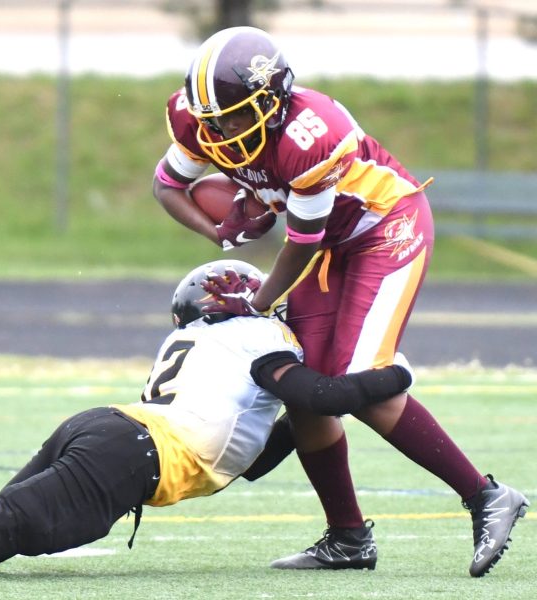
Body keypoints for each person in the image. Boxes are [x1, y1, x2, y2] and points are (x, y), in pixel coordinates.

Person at [153, 25, 529, 577]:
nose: (224, 131)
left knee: (352, 380)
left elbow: (301, 243)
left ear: (273, 100)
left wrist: (258, 303)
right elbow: (166, 187)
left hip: (384, 230)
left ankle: (486, 496)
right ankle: (348, 537)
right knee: (310, 390)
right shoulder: (199, 120)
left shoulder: (312, 134)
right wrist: (220, 234)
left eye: (236, 116)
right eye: (214, 121)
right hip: (330, 241)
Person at [0, 259, 415, 578]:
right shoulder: (253, 341)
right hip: (130, 455)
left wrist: (309, 418)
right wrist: (396, 376)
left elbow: (252, 457)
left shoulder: (203, 345)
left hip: (105, 428)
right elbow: (328, 397)